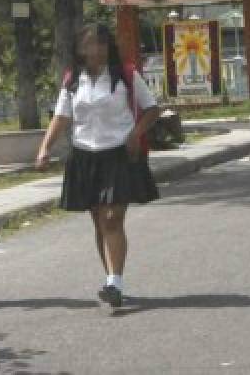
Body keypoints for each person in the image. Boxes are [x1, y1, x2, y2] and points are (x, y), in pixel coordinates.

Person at [35, 24, 161, 310]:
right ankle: (111, 279)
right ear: (80, 49)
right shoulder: (72, 80)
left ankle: (115, 282)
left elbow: (152, 109)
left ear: (109, 47)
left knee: (113, 218)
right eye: (90, 44)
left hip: (119, 154)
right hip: (84, 157)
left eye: (102, 44)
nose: (96, 50)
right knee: (99, 222)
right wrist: (45, 148)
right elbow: (61, 117)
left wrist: (134, 134)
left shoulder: (126, 76)